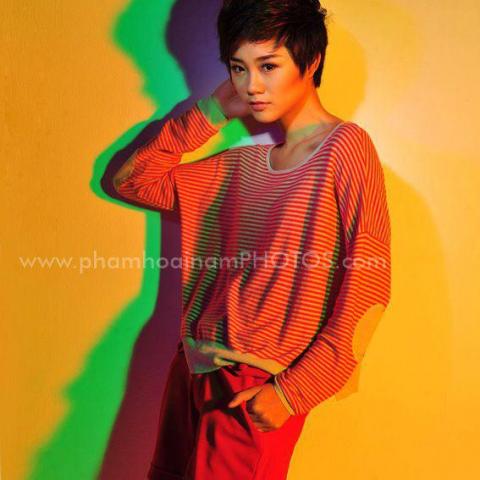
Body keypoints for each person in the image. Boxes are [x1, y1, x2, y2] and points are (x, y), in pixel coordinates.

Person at [113, 0, 391, 479]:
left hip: (256, 381)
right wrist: (212, 110)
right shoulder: (241, 166)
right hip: (192, 369)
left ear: (311, 61)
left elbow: (369, 285)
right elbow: (134, 181)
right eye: (238, 68)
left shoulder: (345, 148)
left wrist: (293, 393)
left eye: (268, 66)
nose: (251, 86)